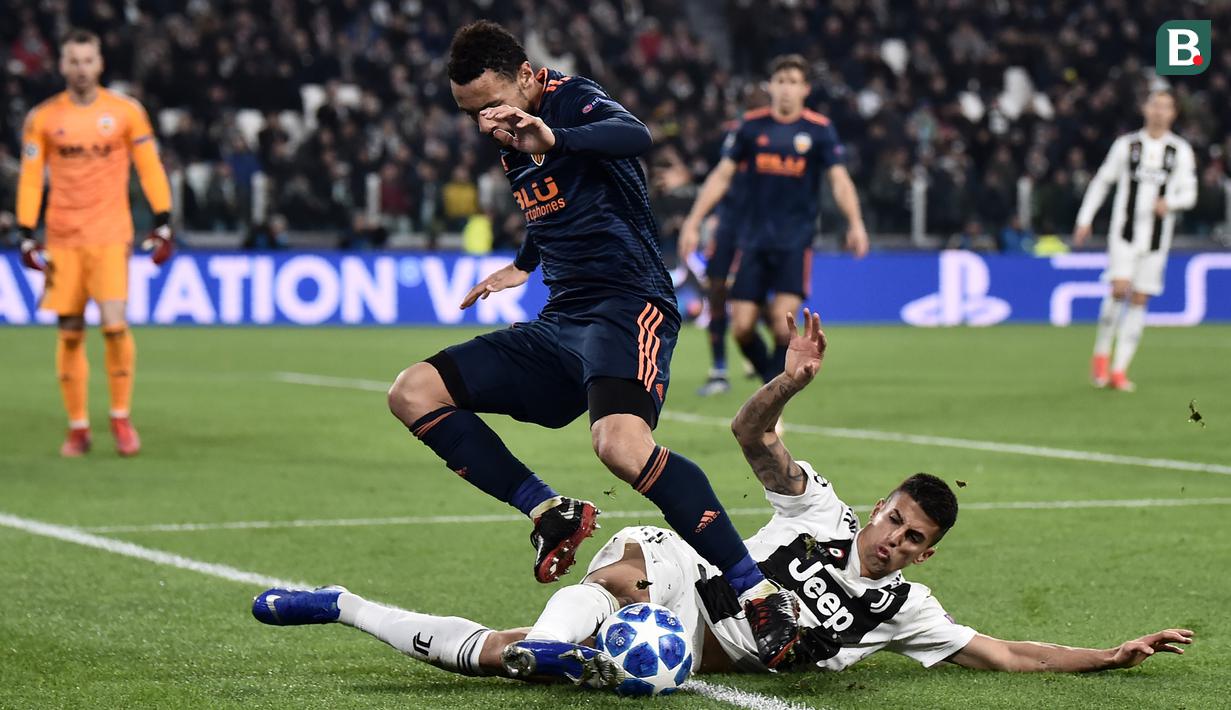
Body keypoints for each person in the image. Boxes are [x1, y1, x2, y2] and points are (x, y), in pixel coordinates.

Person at [253, 308, 1193, 683]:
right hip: (680, 579)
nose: (898, 542)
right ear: (877, 509)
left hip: (702, 655)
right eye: (897, 520)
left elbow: (1009, 652)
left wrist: (1111, 654)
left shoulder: (909, 610)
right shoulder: (820, 507)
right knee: (610, 583)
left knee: (491, 662)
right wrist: (785, 386)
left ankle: (346, 606)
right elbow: (752, 440)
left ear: (924, 556)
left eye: (913, 541)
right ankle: (557, 643)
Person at [382, 21, 799, 667]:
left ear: (525, 74)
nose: (486, 120)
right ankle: (550, 511)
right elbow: (552, 199)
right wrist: (524, 261)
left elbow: (635, 137)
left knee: (619, 445)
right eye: (472, 113)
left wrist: (555, 134)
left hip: (628, 304)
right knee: (412, 392)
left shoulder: (570, 100)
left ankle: (757, 593)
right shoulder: (508, 127)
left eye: (493, 103)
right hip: (562, 316)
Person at [14, 29, 174, 457]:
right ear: (62, 65)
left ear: (100, 64)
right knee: (69, 333)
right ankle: (78, 427)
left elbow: (150, 167)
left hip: (110, 233)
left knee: (114, 324)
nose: (81, 69)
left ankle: (121, 419)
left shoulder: (126, 112)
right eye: (73, 61)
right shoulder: (43, 118)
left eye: (88, 60)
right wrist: (27, 231)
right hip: (63, 236)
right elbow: (31, 178)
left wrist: (163, 218)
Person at [679, 54, 868, 387]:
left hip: (794, 242)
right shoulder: (752, 127)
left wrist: (855, 222)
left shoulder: (819, 131)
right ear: (771, 86)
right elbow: (721, 176)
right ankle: (771, 385)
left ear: (805, 89)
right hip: (751, 241)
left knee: (783, 327)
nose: (786, 89)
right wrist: (694, 221)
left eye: (793, 82)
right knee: (742, 328)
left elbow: (839, 180)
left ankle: (771, 406)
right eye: (780, 82)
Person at [1073, 90, 1198, 392]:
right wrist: (1085, 218)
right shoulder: (1126, 145)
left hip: (1156, 239)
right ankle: (1101, 355)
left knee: (1140, 298)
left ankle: (1120, 369)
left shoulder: (1179, 151)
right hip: (1124, 234)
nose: (1159, 111)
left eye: (1166, 107)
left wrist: (1170, 203)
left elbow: (1190, 194)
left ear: (1174, 113)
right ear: (1145, 108)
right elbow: (1103, 181)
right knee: (1119, 289)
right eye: (1155, 104)